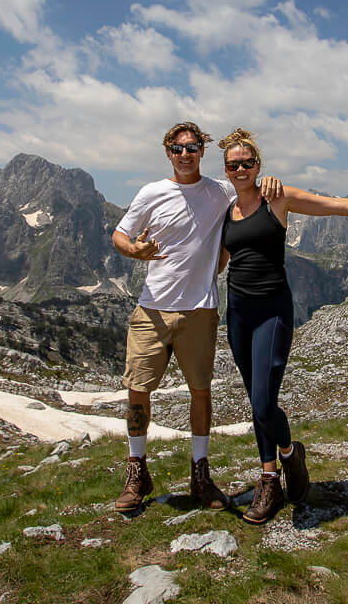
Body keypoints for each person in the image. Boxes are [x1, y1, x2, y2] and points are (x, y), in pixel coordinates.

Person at [217, 128, 348, 524]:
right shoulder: (227, 212)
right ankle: (269, 480)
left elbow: (334, 205)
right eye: (233, 164)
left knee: (264, 401)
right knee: (255, 403)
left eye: (247, 162)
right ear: (226, 171)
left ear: (258, 166)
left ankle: (291, 455)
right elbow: (221, 261)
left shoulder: (278, 197)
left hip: (272, 311)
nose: (240, 168)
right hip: (238, 314)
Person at [110, 122, 280, 514]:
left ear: (202, 151)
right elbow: (120, 235)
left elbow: (248, 189)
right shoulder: (151, 193)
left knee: (200, 392)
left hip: (201, 310)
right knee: (139, 390)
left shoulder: (219, 190)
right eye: (177, 147)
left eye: (192, 147)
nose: (185, 154)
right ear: (167, 152)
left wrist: (269, 179)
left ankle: (200, 473)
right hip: (152, 309)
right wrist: (135, 251)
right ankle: (137, 470)